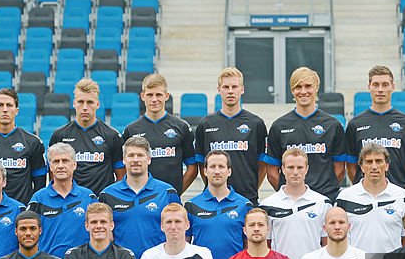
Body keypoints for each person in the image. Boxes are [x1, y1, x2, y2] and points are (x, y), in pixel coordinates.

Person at [264, 66, 348, 202]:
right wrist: (291, 195)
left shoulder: (333, 125)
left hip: (324, 200)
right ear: (292, 90)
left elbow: (339, 170)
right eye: (298, 87)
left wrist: (321, 197)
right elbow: (272, 173)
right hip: (290, 202)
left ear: (316, 88)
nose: (303, 91)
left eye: (308, 86)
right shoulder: (279, 126)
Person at [98, 136, 181, 259]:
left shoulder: (167, 192)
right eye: (131, 155)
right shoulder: (107, 195)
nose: (135, 160)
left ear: (149, 159)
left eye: (140, 155)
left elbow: (179, 232)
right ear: (124, 160)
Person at [194, 67, 267, 203]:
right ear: (219, 90)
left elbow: (262, 166)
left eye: (234, 86)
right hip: (214, 199)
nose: (230, 91)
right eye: (226, 87)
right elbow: (201, 165)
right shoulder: (205, 125)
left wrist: (251, 189)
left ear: (242, 89)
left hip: (247, 198)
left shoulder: (256, 124)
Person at [122, 73, 197, 195]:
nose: (154, 99)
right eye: (150, 95)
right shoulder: (131, 130)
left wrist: (175, 193)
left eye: (158, 95)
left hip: (170, 203)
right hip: (140, 198)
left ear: (166, 96)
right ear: (142, 96)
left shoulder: (181, 127)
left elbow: (192, 168)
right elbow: (122, 168)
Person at [344, 65, 405, 189]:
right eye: (376, 85)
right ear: (369, 87)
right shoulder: (355, 124)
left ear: (392, 87)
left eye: (385, 84)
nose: (380, 89)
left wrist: (400, 185)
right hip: (364, 194)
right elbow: (351, 165)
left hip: (396, 193)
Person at [49, 78, 124, 196]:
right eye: (80, 102)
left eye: (90, 102)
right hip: (70, 203)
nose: (85, 107)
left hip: (100, 206)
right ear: (74, 103)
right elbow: (54, 175)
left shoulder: (111, 135)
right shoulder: (59, 135)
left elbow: (121, 177)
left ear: (97, 104)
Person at [259, 148, 330, 259]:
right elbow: (265, 245)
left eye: (300, 167)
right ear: (282, 169)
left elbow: (327, 244)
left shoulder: (322, 203)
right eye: (291, 167)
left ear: (306, 169)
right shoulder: (268, 205)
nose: (295, 172)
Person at [335, 143, 405, 253]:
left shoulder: (403, 197)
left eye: (379, 161)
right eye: (369, 162)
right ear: (361, 167)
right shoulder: (345, 197)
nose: (374, 167)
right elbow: (337, 238)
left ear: (387, 165)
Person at [185, 150, 252, 259]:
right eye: (212, 167)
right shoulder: (191, 206)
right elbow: (184, 245)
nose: (217, 171)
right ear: (205, 171)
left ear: (229, 171)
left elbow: (249, 245)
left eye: (221, 167)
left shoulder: (245, 205)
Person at [27, 143, 97, 258]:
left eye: (65, 161)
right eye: (56, 161)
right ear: (50, 166)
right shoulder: (38, 199)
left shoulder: (88, 197)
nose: (60, 166)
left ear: (74, 165)